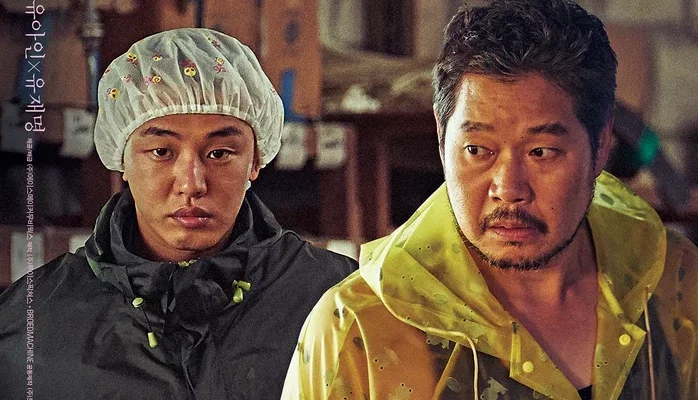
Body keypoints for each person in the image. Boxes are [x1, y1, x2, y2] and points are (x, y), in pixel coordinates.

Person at [282, 1, 698, 399]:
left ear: (602, 145)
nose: (508, 188)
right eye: (477, 150)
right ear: (443, 139)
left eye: (541, 152)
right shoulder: (358, 330)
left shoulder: (674, 283)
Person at [0, 28, 356, 399]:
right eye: (161, 152)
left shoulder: (339, 300)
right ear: (122, 158)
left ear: (256, 160)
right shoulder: (32, 327)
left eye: (219, 153)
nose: (191, 184)